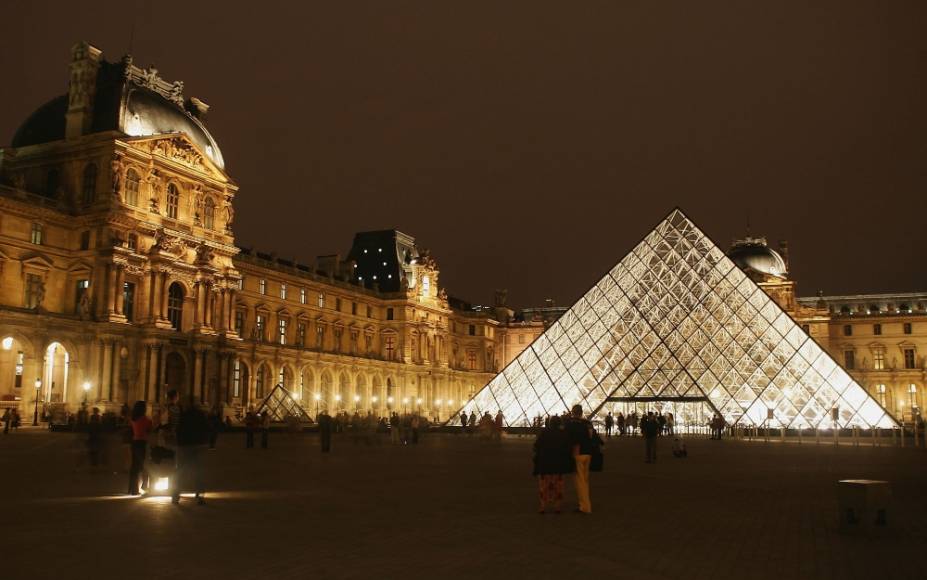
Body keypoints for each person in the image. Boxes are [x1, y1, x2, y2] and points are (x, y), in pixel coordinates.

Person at [533, 415, 573, 514]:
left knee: (544, 486)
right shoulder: (563, 434)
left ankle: (542, 506)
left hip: (545, 463)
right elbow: (568, 448)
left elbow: (536, 446)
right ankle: (557, 507)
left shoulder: (544, 433)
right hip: (558, 464)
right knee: (558, 485)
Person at [173, 399, 209, 505]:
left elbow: (178, 429)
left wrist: (179, 442)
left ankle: (176, 495)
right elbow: (207, 428)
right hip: (198, 445)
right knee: (199, 471)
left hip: (185, 446)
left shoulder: (184, 415)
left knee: (180, 471)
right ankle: (200, 496)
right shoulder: (201, 415)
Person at [565, 404, 595, 514]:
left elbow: (569, 439)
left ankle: (585, 507)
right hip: (588, 453)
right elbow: (592, 437)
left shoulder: (571, 424)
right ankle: (584, 504)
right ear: (581, 412)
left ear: (573, 412)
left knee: (580, 482)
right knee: (585, 481)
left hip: (578, 454)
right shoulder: (587, 423)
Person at [128, 401, 152, 495]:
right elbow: (150, 428)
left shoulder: (133, 419)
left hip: (134, 442)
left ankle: (133, 489)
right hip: (142, 443)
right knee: (144, 465)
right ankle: (144, 486)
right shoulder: (145, 419)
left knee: (134, 466)